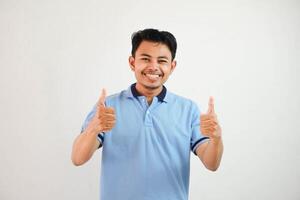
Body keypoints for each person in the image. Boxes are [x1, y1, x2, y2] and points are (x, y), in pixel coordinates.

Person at [71, 28, 223, 200]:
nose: (153, 67)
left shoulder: (188, 109)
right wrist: (92, 129)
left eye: (162, 60)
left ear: (172, 66)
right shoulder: (107, 107)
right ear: (132, 62)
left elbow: (211, 164)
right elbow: (77, 158)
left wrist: (216, 139)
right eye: (145, 59)